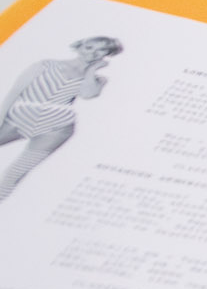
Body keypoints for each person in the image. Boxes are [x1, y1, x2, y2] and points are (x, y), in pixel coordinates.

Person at [0, 34, 121, 202]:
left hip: (57, 128)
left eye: (101, 50)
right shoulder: (46, 65)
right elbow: (14, 92)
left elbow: (88, 94)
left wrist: (92, 70)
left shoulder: (97, 79)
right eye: (89, 48)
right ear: (79, 47)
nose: (93, 53)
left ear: (107, 54)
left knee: (15, 173)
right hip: (19, 118)